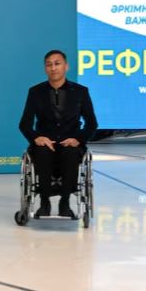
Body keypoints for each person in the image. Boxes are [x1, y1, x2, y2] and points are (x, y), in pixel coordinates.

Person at [18, 49, 98, 219]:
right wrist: (36, 138)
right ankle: (44, 202)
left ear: (66, 66)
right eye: (49, 65)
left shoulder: (80, 92)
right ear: (45, 69)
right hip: (45, 142)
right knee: (41, 152)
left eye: (57, 63)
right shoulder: (35, 92)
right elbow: (24, 124)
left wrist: (78, 139)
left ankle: (65, 202)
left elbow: (92, 123)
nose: (53, 68)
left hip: (71, 143)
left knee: (70, 153)